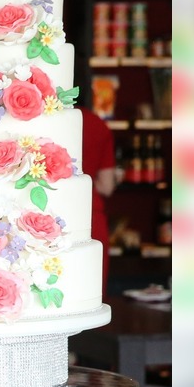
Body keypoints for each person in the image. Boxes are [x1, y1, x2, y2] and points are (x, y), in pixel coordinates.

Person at [79, 105, 116, 293]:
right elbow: (106, 186)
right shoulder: (97, 123)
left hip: (41, 217)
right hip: (90, 215)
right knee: (90, 296)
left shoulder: (44, 119)